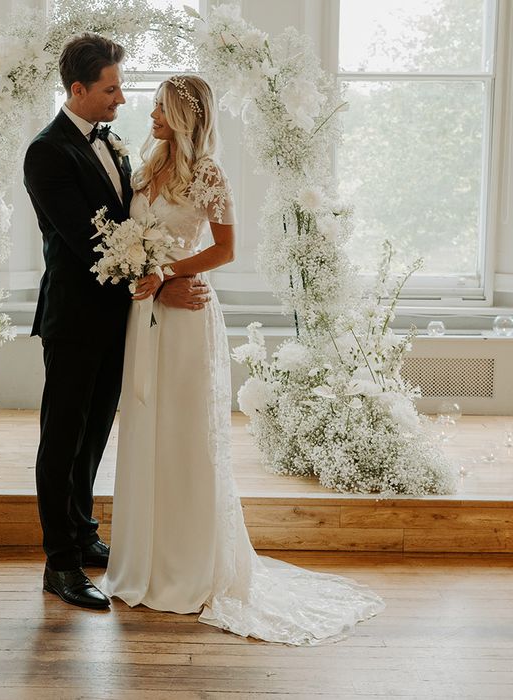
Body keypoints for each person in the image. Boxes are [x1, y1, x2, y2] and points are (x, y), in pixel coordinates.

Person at [101, 75, 385, 644]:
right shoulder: (144, 165)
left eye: (159, 108)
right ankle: (143, 562)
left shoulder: (209, 174)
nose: (149, 113)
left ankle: (188, 565)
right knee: (143, 425)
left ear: (184, 116)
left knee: (184, 434)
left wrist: (168, 272)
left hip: (186, 318)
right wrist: (144, 276)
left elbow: (227, 249)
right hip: (145, 313)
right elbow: (129, 238)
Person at [23, 36, 209, 610]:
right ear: (77, 90)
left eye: (121, 87)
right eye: (111, 88)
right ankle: (60, 564)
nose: (121, 99)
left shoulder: (116, 145)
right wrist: (161, 286)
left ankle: (82, 533)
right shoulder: (47, 152)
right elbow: (90, 243)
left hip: (120, 320)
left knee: (95, 432)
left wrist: (161, 284)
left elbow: (137, 226)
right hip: (75, 319)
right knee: (62, 437)